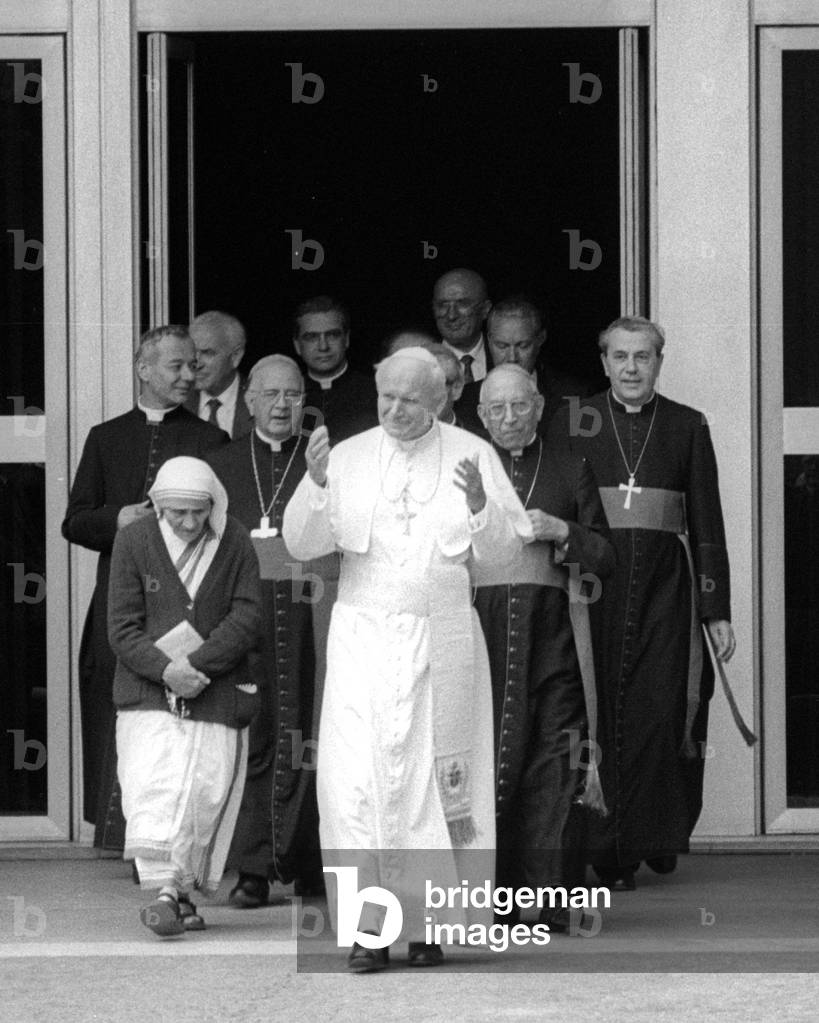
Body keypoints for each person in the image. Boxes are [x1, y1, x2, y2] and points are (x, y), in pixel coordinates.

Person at [283, 347, 531, 972]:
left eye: (411, 400)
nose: (395, 410)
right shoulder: (346, 455)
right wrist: (314, 486)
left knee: (436, 783)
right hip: (363, 640)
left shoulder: (475, 453)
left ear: (443, 398)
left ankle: (430, 929)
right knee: (357, 786)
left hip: (442, 639)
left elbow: (503, 557)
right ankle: (370, 931)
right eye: (385, 397)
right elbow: (304, 542)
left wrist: (480, 507)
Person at [548, 315, 736, 889]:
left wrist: (716, 608)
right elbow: (555, 499)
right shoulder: (573, 419)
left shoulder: (686, 425)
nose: (631, 368)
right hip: (593, 591)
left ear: (659, 362)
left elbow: (707, 522)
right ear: (604, 362)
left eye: (643, 357)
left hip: (664, 593)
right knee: (597, 712)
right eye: (621, 357)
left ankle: (653, 835)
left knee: (659, 716)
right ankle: (608, 851)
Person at [61, 325, 228, 848]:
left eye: (192, 366)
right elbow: (75, 521)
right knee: (117, 707)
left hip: (188, 598)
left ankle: (175, 834)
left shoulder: (210, 440)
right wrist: (119, 520)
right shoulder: (106, 437)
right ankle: (119, 832)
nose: (188, 375)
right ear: (144, 370)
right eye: (176, 366)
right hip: (122, 597)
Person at [472, 365, 614, 929]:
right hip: (479, 636)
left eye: (519, 407)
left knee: (554, 762)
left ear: (538, 406)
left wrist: (562, 531)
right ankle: (487, 894)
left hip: (553, 638)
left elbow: (605, 560)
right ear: (480, 417)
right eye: (496, 410)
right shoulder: (464, 468)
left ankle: (546, 897)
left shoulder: (570, 467)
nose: (508, 419)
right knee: (485, 761)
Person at [107, 456, 262, 936]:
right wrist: (167, 670)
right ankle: (170, 894)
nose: (191, 523)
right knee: (155, 789)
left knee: (200, 793)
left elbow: (246, 614)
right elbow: (122, 626)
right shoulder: (134, 540)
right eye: (178, 513)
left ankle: (174, 896)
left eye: (200, 512)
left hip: (213, 691)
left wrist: (197, 666)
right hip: (149, 694)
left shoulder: (234, 538)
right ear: (157, 507)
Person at [206, 355, 323, 909]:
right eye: (271, 394)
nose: (282, 405)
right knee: (253, 736)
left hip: (312, 617)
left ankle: (311, 862)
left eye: (294, 395)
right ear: (248, 401)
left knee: (313, 733)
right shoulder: (221, 464)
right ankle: (251, 866)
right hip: (245, 618)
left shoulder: (325, 462)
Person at [293, 295, 378, 441]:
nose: (323, 346)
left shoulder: (376, 391)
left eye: (332, 335)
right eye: (312, 337)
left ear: (346, 339)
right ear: (297, 345)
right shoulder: (287, 396)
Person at [187, 310, 253, 439]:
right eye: (192, 352)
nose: (197, 364)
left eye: (208, 353)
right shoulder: (177, 402)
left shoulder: (261, 401)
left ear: (235, 356)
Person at [432, 268, 492, 385]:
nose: (451, 315)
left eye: (462, 304)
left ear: (485, 309)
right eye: (443, 305)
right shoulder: (423, 360)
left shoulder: (506, 353)